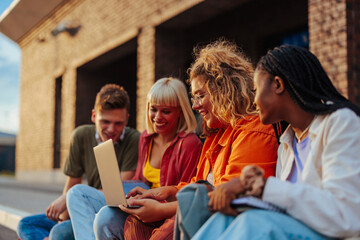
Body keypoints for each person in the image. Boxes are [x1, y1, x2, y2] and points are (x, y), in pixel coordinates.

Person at [114, 39, 279, 240]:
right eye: (194, 98)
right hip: (199, 215)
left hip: (225, 222)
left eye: (200, 96)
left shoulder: (254, 130)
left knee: (163, 230)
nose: (195, 106)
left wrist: (162, 210)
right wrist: (166, 192)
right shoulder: (214, 134)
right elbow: (199, 185)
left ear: (223, 90)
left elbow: (228, 195)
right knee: (131, 221)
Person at [190, 45, 360, 240]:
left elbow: (347, 216)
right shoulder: (288, 141)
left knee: (252, 222)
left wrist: (263, 186)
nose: (253, 101)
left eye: (256, 90)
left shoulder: (340, 122)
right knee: (225, 219)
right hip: (298, 230)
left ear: (278, 85)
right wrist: (247, 194)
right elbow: (283, 205)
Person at [66, 77, 203, 240]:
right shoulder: (146, 138)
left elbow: (185, 192)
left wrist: (153, 201)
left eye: (165, 111)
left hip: (163, 212)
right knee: (76, 193)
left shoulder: (189, 144)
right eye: (153, 109)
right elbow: (139, 180)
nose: (157, 117)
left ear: (180, 111)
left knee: (104, 217)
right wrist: (130, 194)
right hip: (142, 201)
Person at [17, 84, 140, 240]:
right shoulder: (81, 136)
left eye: (118, 123)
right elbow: (72, 183)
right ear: (94, 116)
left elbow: (119, 191)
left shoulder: (134, 139)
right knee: (26, 224)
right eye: (105, 121)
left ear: (127, 119)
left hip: (108, 213)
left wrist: (67, 198)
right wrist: (63, 218)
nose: (111, 129)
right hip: (80, 207)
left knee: (58, 234)